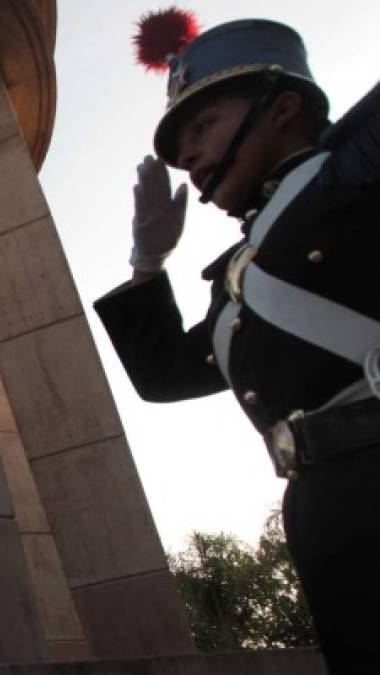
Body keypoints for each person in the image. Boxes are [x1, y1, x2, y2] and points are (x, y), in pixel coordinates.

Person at [93, 9, 380, 674]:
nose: (186, 155)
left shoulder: (358, 186)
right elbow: (165, 375)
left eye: (203, 127)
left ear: (282, 109)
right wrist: (147, 263)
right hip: (322, 512)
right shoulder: (235, 281)